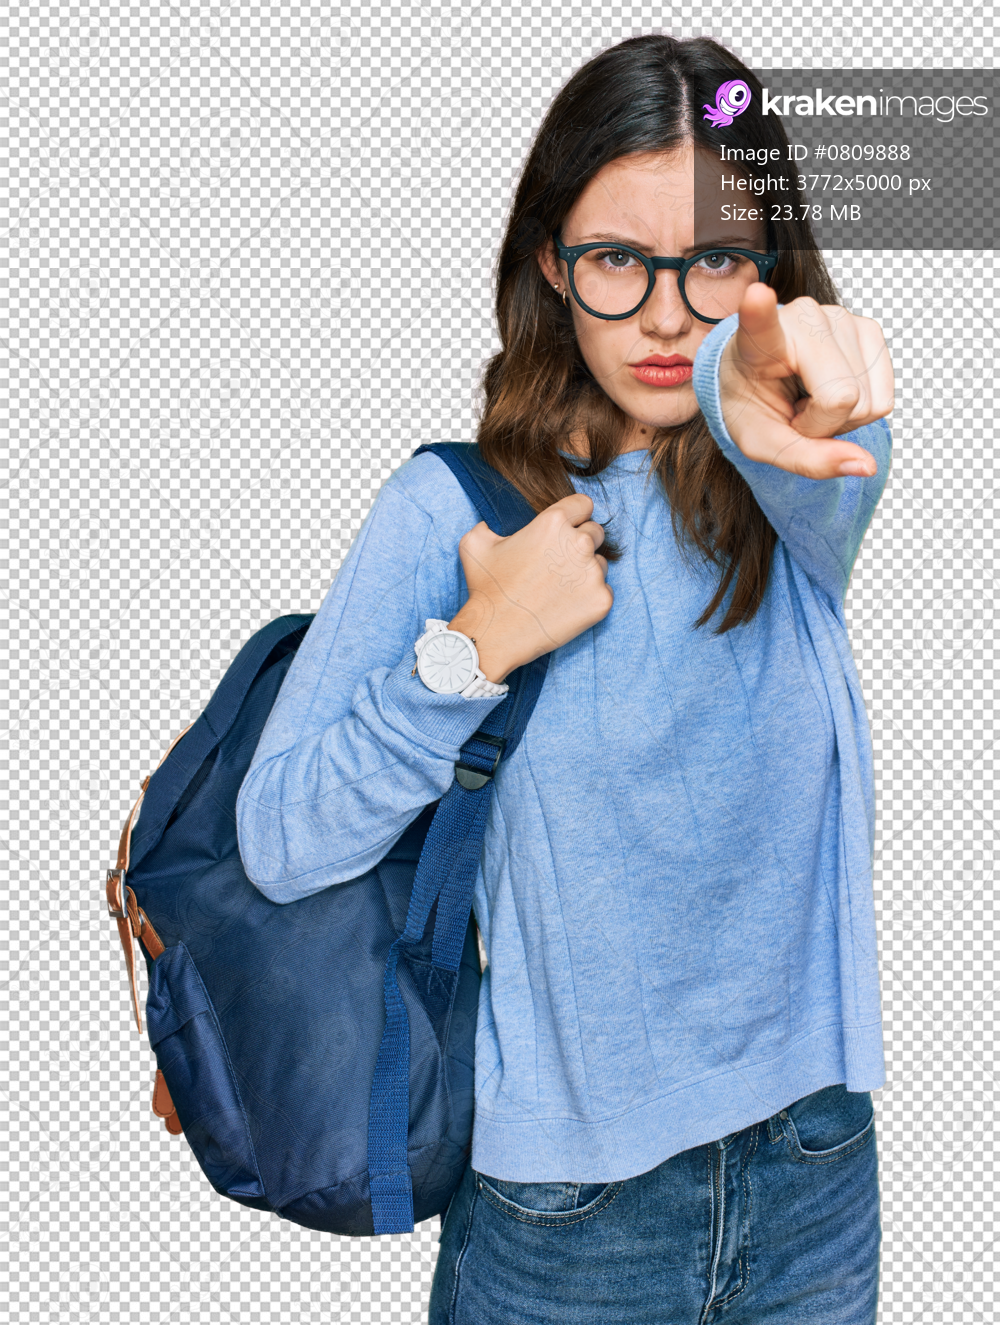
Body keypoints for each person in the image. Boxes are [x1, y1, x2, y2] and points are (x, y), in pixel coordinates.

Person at [236, 33, 894, 1325]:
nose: (666, 315)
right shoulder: (450, 511)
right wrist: (473, 649)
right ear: (551, 262)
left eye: (715, 259)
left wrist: (756, 391)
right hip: (569, 1218)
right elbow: (279, 839)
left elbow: (805, 414)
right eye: (617, 260)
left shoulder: (797, 479)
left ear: (769, 270)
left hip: (815, 1168)